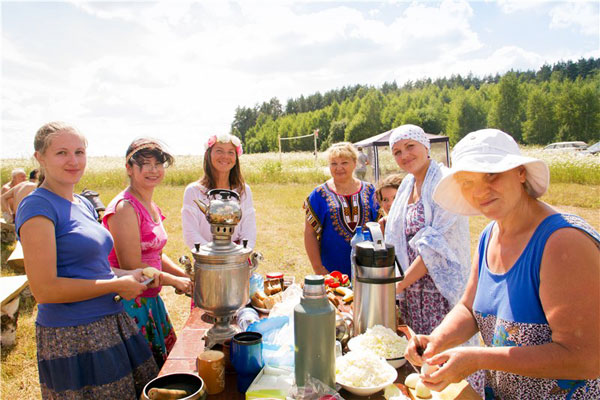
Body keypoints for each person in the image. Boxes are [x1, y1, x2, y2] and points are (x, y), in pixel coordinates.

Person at [404, 129, 600, 399]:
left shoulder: (562, 242)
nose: (480, 191)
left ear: (520, 173)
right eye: (467, 182)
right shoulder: (489, 235)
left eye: (491, 175)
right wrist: (437, 339)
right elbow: (469, 309)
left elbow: (586, 358)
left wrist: (479, 358)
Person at [15, 122, 158, 399]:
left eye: (79, 152)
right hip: (74, 336)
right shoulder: (37, 206)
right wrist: (115, 285)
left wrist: (127, 274)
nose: (73, 161)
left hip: (110, 323)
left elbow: (95, 268)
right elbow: (44, 290)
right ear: (39, 158)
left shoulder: (81, 203)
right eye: (61, 153)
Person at [103, 138, 192, 367]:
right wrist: (174, 281)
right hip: (132, 304)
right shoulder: (124, 208)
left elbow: (156, 253)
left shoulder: (150, 205)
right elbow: (133, 267)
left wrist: (185, 275)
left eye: (158, 164)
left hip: (151, 302)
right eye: (145, 163)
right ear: (129, 168)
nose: (153, 170)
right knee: (146, 373)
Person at [383, 124, 471, 337]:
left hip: (439, 289)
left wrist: (398, 285)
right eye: (397, 152)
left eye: (410, 146)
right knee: (419, 350)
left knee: (444, 351)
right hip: (413, 289)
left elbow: (435, 246)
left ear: (426, 145)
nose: (404, 155)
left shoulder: (446, 182)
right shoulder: (406, 185)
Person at [304, 142, 380, 277]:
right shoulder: (319, 194)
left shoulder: (370, 191)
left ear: (355, 163)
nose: (339, 168)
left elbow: (382, 227)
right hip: (332, 271)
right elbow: (309, 233)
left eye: (344, 162)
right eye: (334, 163)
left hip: (369, 268)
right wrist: (319, 269)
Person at [182, 133, 256, 250]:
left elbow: (249, 229)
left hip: (237, 256)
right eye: (219, 151)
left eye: (231, 152)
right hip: (207, 258)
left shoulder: (244, 190)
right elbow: (191, 234)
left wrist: (239, 254)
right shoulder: (193, 191)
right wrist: (216, 255)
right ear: (208, 155)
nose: (225, 156)